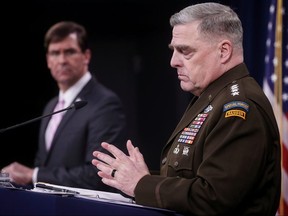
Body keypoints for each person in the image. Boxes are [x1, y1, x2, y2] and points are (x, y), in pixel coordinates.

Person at [91, 2, 281, 215]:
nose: (173, 62)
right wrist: (141, 178)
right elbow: (190, 180)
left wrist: (141, 184)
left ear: (224, 51)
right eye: (174, 50)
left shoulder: (239, 107)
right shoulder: (212, 97)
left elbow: (214, 198)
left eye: (185, 51)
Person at [2, 21, 127, 191]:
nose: (62, 60)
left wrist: (33, 175)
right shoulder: (51, 106)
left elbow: (97, 173)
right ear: (48, 60)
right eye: (55, 53)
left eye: (69, 52)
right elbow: (44, 163)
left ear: (86, 56)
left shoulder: (105, 103)